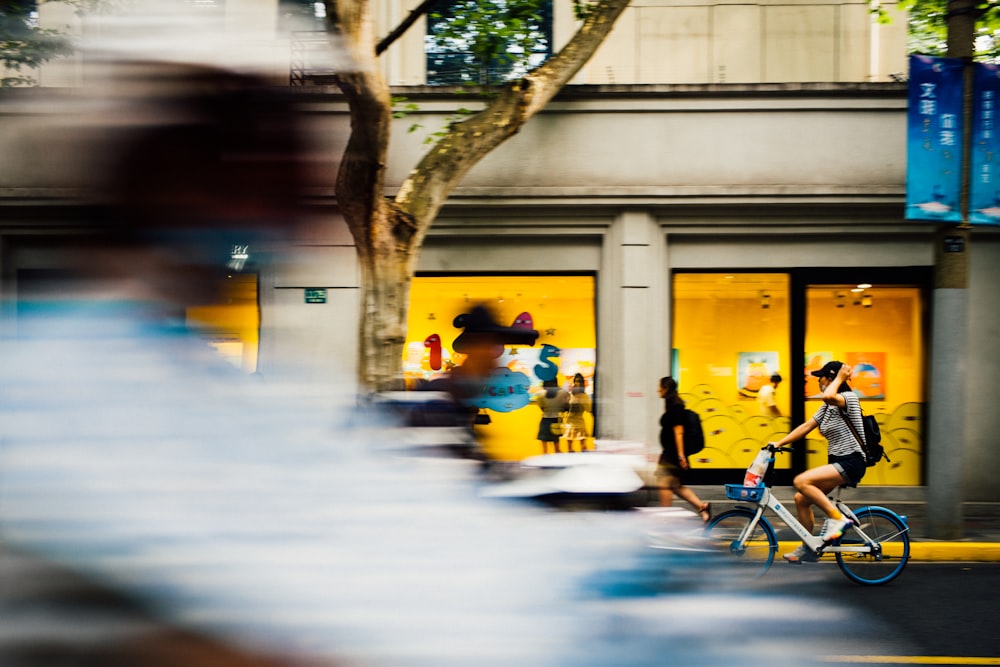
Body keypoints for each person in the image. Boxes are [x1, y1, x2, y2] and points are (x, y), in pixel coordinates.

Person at [768, 360, 867, 563]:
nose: (818, 381)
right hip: (839, 462)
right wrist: (778, 443)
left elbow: (829, 395)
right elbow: (806, 426)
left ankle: (837, 519)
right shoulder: (827, 407)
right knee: (801, 499)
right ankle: (809, 547)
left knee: (801, 481)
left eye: (821, 377)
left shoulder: (848, 398)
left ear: (830, 378)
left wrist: (840, 377)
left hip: (852, 461)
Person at [654, 377, 711, 523]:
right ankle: (702, 507)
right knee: (675, 486)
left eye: (659, 387)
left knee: (663, 483)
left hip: (672, 454)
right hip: (671, 452)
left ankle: (665, 520)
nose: (657, 390)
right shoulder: (672, 404)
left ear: (665, 389)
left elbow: (679, 432)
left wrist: (680, 456)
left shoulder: (675, 407)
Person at [534, 377, 569, 454]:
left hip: (545, 420)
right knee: (557, 447)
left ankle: (544, 464)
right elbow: (565, 406)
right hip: (556, 420)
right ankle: (558, 463)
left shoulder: (540, 394)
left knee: (544, 449)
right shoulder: (563, 393)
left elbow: (542, 407)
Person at [563, 372, 592, 452]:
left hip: (579, 424)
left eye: (579, 381)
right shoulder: (570, 394)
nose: (576, 383)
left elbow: (589, 409)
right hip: (569, 424)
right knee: (569, 450)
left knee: (583, 448)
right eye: (575, 381)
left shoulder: (584, 396)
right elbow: (565, 408)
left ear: (582, 383)